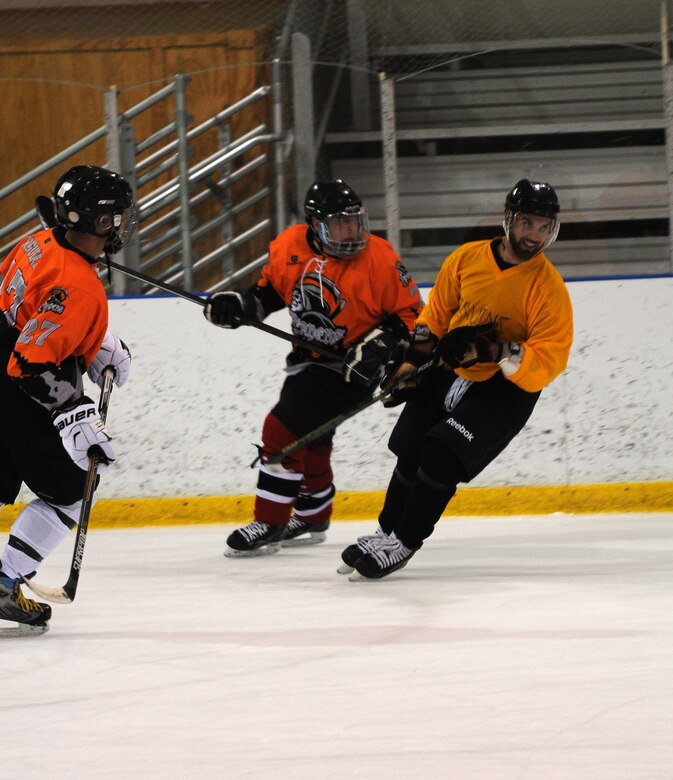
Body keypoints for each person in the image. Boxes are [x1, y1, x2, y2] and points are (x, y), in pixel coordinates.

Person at [339, 178, 574, 580]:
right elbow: (435, 318)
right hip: (450, 372)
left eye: (542, 226)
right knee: (411, 445)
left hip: (507, 388)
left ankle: (405, 542)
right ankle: (385, 530)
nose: (534, 235)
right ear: (509, 220)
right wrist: (412, 363)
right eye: (527, 223)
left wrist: (493, 350)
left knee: (441, 453)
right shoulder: (466, 259)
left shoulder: (548, 288)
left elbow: (549, 358)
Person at [204, 178, 423, 557]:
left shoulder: (382, 259)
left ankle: (271, 519)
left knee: (281, 431)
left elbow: (412, 317)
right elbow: (268, 293)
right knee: (313, 439)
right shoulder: (288, 245)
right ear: (315, 225)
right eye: (341, 224)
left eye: (355, 222)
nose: (352, 232)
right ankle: (312, 514)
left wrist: (381, 346)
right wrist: (239, 305)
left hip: (353, 368)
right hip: (307, 362)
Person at [0, 165, 136, 634]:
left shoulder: (35, 242)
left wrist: (90, 340)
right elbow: (28, 364)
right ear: (99, 223)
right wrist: (73, 414)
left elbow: (32, 310)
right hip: (22, 391)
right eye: (116, 218)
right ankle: (4, 580)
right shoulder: (80, 286)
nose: (121, 225)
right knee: (72, 491)